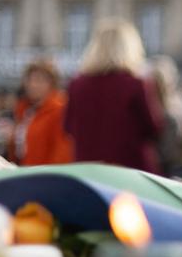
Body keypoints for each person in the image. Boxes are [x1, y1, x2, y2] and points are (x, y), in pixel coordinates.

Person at [64, 18, 164, 173]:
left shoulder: (77, 84)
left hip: (88, 168)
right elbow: (153, 128)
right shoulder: (136, 84)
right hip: (130, 169)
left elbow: (68, 127)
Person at [7, 59, 73, 166]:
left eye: (39, 81)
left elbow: (62, 152)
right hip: (24, 172)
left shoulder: (59, 110)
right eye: (30, 80)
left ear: (51, 84)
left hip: (44, 177)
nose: (33, 85)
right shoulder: (24, 110)